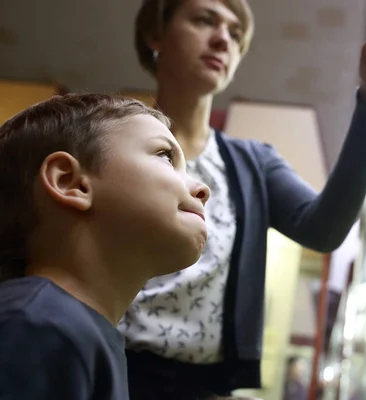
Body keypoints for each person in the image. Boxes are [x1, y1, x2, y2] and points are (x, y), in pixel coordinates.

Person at [123, 0, 366, 398]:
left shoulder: (251, 164)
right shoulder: (113, 142)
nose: (223, 38)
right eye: (205, 20)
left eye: (236, 33)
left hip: (206, 387)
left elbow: (324, 230)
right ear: (156, 33)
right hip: (106, 374)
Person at [0, 93, 210, 399]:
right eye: (165, 156)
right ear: (70, 181)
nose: (202, 189)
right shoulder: (35, 325)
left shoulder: (69, 330)